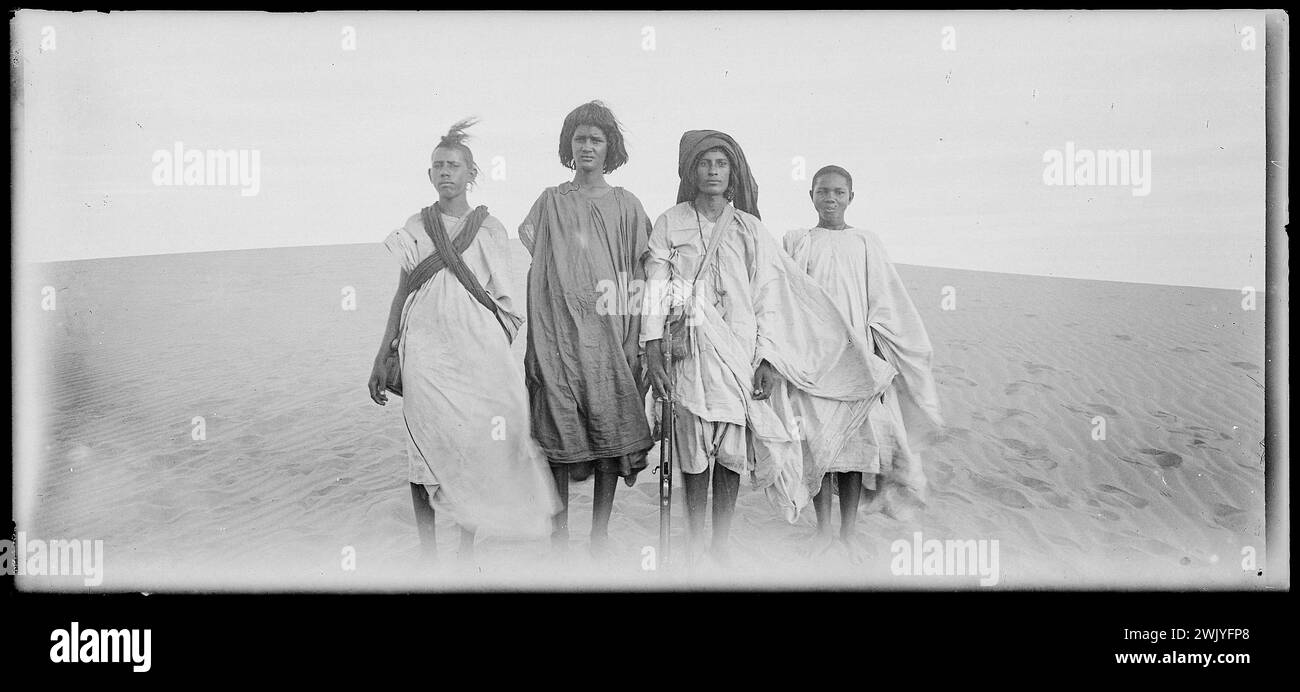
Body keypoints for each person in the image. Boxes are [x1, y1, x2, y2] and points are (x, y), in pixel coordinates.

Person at [642, 131, 896, 566]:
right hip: (690, 347)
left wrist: (769, 360)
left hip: (739, 349)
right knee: (694, 443)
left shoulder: (750, 228)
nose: (713, 172)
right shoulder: (671, 221)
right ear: (691, 171)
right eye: (705, 164)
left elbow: (769, 298)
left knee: (731, 447)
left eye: (721, 164)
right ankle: (694, 541)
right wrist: (651, 346)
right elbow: (655, 284)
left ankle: (719, 542)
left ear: (732, 172)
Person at [368, 118, 559, 565]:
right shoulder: (416, 225)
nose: (445, 172)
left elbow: (505, 300)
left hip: (475, 354)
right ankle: (428, 552)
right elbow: (403, 292)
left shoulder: (490, 229)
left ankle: (467, 546)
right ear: (429, 175)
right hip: (425, 354)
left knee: (473, 445)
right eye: (438, 166)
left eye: (454, 165)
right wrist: (384, 352)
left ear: (472, 173)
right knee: (423, 451)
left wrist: (491, 349)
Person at [783, 165, 943, 561]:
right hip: (814, 364)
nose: (831, 199)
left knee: (854, 449)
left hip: (859, 364)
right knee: (818, 448)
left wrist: (880, 351)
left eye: (839, 192)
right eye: (823, 191)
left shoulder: (866, 242)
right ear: (812, 196)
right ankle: (822, 529)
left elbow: (887, 302)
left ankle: (848, 531)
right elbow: (787, 300)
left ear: (851, 197)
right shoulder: (798, 241)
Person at [518, 101, 654, 557]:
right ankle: (559, 532)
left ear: (609, 146)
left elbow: (639, 275)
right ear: (568, 146)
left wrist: (634, 338)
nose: (588, 146)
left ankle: (599, 532)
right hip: (557, 336)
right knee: (558, 429)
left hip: (610, 338)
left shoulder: (627, 205)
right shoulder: (550, 201)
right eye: (580, 139)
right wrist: (538, 339)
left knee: (608, 427)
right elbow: (539, 275)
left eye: (596, 139)